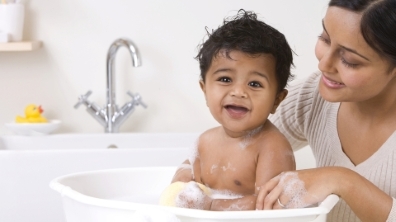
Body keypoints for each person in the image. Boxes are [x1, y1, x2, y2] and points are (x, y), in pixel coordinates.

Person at [255, 0, 396, 221]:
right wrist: (188, 173)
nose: (324, 64)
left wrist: (342, 180)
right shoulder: (311, 98)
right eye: (325, 39)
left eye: (350, 61)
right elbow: (234, 143)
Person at [169, 9, 296, 210]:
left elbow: (269, 205)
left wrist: (210, 205)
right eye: (225, 79)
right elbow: (190, 172)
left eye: (254, 84)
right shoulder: (204, 141)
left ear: (276, 100)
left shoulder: (271, 148)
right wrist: (183, 177)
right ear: (204, 90)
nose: (238, 92)